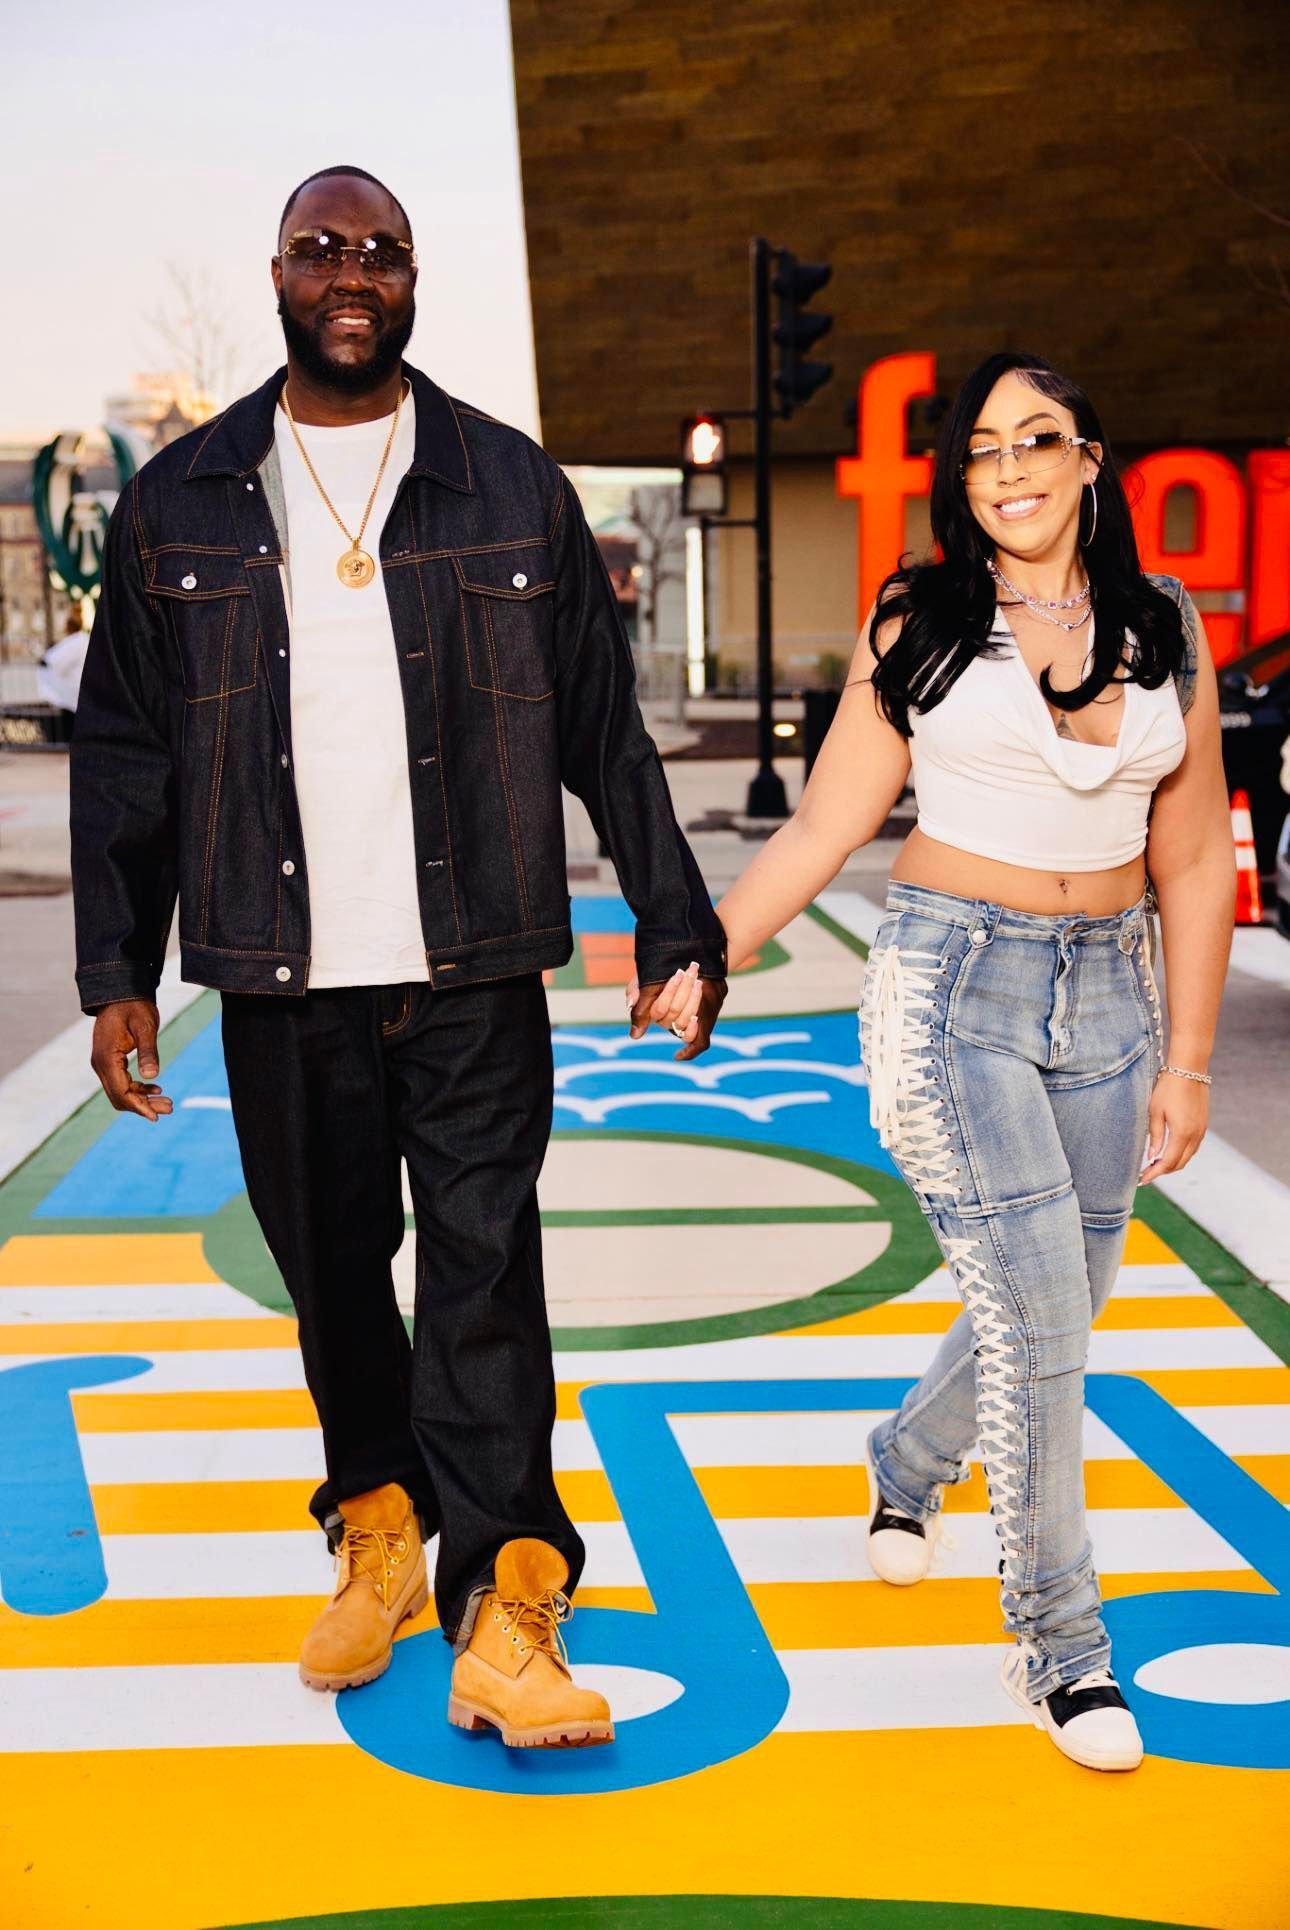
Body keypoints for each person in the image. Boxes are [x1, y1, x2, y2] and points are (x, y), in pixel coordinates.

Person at [69, 163, 726, 1749]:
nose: (352, 273)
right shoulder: (183, 500)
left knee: (488, 1272)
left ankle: (508, 1597)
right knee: (334, 1278)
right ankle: (375, 1518)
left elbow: (600, 727)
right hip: (278, 968)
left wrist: (675, 915)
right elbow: (125, 757)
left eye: (382, 251)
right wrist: (118, 973)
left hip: (477, 957)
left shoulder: (509, 486)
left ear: (414, 281)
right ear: (278, 273)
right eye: (323, 249)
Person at [710, 351, 1234, 1772]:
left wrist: (1186, 1058)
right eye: (982, 446)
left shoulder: (1161, 622)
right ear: (960, 478)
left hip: (1110, 1000)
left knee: (1061, 1289)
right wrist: (713, 951)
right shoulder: (920, 614)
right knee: (1044, 1324)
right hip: (954, 989)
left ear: (1087, 459)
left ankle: (903, 1461)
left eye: (1036, 439)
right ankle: (1063, 1645)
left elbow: (1190, 861)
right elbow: (824, 826)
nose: (1007, 466)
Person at [36, 609, 90, 742]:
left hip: (70, 695)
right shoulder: (83, 639)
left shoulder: (74, 642)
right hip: (81, 691)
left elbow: (53, 661)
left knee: (67, 731)